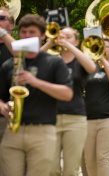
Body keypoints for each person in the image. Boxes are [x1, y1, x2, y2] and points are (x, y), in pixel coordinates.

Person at [0, 14, 73, 176]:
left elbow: (67, 93)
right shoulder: (9, 64)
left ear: (42, 36)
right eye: (23, 32)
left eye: (32, 32)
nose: (26, 36)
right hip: (12, 131)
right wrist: (2, 105)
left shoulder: (54, 62)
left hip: (42, 131)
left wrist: (36, 81)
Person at [41, 26, 96, 176]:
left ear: (77, 41)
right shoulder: (51, 61)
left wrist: (69, 47)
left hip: (75, 118)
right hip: (51, 118)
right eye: (61, 36)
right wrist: (49, 44)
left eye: (68, 36)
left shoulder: (80, 62)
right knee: (50, 169)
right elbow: (31, 61)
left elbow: (91, 67)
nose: (63, 38)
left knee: (71, 170)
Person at [83, 38, 109, 176]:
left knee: (102, 158)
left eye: (105, 47)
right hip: (88, 120)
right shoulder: (88, 70)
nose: (101, 49)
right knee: (90, 161)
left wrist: (104, 61)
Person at [0, 7, 16, 146]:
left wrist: (3, 34)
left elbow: (23, 56)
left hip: (10, 115)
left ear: (11, 25)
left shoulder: (18, 47)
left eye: (1, 18)